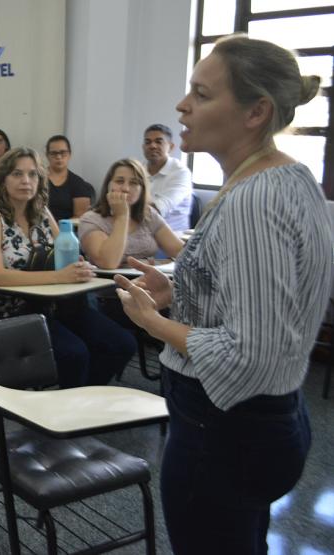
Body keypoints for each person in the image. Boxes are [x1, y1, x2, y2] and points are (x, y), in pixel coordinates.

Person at [114, 36, 331, 554]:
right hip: (263, 421)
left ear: (256, 112)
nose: (182, 106)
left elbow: (249, 353)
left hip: (224, 430)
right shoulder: (289, 177)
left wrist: (154, 322)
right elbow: (267, 306)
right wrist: (181, 292)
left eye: (202, 94)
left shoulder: (253, 201)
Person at [0, 146, 135, 388]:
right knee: (74, 354)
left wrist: (79, 267)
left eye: (32, 174)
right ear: (3, 179)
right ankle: (70, 406)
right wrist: (59, 276)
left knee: (122, 343)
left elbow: (66, 254)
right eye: (17, 174)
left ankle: (82, 398)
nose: (26, 181)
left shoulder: (41, 212)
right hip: (11, 312)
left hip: (52, 305)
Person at [79, 158, 183, 269]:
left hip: (147, 276)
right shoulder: (90, 219)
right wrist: (122, 216)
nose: (126, 188)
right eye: (119, 181)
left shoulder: (148, 214)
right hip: (110, 279)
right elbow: (108, 263)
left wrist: (157, 263)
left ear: (142, 189)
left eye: (134, 183)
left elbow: (181, 253)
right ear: (108, 185)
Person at [142, 124, 193, 231]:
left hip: (172, 235)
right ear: (143, 147)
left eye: (158, 142)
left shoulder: (181, 173)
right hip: (141, 231)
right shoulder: (138, 170)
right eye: (148, 142)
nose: (152, 146)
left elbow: (158, 209)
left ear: (171, 147)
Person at [44, 134, 95, 221]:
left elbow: (80, 217)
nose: (58, 157)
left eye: (63, 153)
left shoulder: (79, 184)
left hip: (65, 228)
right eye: (54, 153)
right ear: (47, 155)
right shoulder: (36, 179)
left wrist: (57, 227)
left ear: (69, 154)